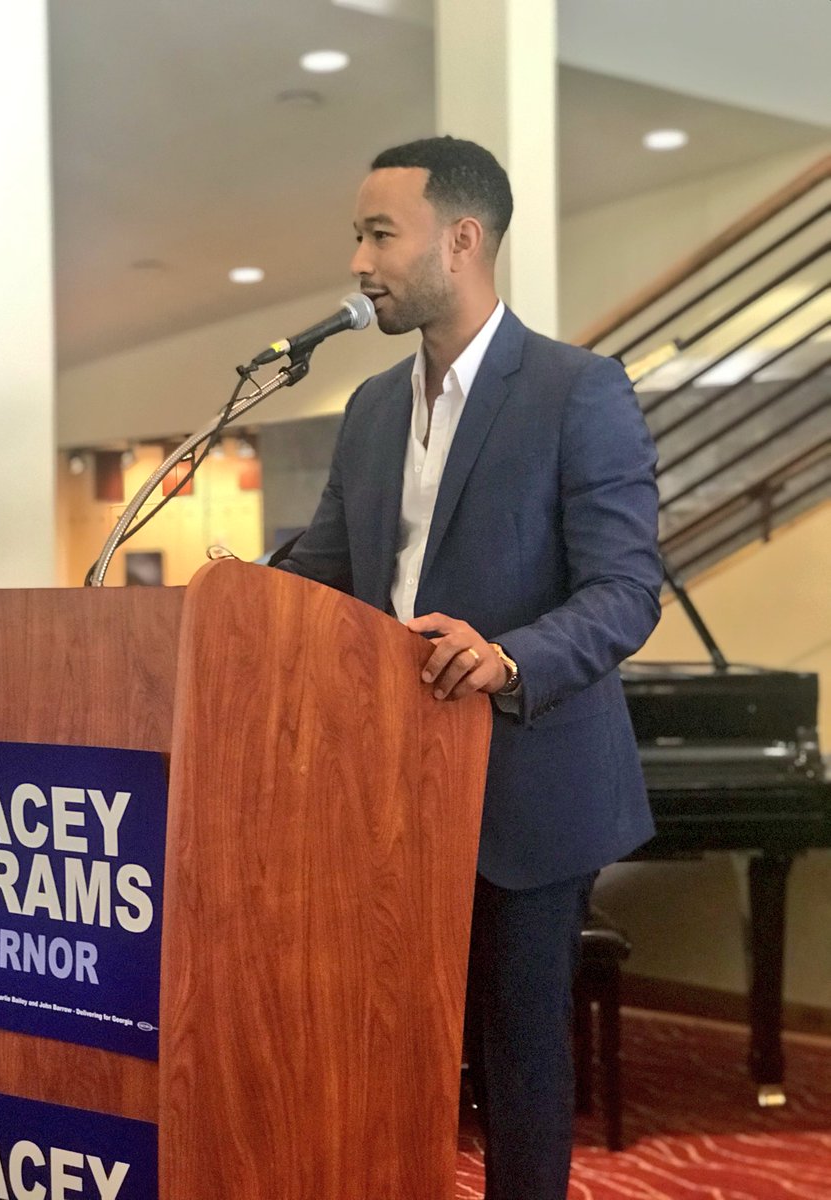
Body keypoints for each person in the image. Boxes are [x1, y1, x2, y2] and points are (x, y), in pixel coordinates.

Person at [275, 136, 662, 1200]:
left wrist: (507, 658)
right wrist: (223, 597)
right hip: (386, 790)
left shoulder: (577, 390)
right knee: (386, 1042)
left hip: (528, 789)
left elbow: (626, 592)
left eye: (378, 234)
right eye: (356, 234)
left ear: (462, 238)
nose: (358, 259)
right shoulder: (367, 412)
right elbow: (319, 574)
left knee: (516, 1056)